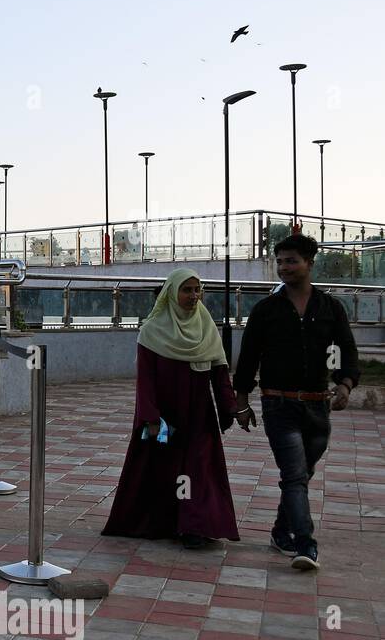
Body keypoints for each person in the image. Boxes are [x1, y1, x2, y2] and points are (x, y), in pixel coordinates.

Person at [232, 233, 359, 571]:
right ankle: (305, 543)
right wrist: (241, 401)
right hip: (279, 405)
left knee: (302, 473)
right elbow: (247, 358)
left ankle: (279, 531)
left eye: (292, 261)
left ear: (309, 263)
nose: (285, 267)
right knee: (294, 475)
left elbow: (347, 349)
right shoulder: (266, 310)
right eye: (281, 261)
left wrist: (345, 383)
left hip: (318, 408)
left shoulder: (330, 307)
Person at [103, 267, 243, 547]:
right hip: (166, 416)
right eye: (186, 290)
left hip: (199, 415)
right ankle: (170, 523)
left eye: (197, 290)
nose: (193, 296)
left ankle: (195, 527)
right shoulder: (152, 331)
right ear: (172, 293)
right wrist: (150, 418)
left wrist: (231, 408)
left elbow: (219, 373)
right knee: (164, 471)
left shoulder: (207, 328)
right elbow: (146, 381)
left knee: (198, 470)